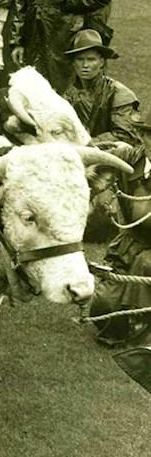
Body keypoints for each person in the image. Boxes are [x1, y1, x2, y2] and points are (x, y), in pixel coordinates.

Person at [89, 111, 151, 348]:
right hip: (129, 246)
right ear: (140, 135)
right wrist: (106, 196)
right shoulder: (128, 158)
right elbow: (93, 161)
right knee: (103, 309)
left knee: (146, 266)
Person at [62, 29, 140, 145]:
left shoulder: (119, 93)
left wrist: (88, 143)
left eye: (91, 60)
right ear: (73, 63)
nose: (85, 65)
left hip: (113, 152)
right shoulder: (68, 96)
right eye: (80, 60)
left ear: (102, 62)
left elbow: (124, 135)